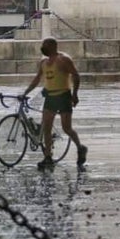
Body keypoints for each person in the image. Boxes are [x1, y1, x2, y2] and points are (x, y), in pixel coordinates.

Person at [23, 37, 88, 169]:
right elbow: (37, 79)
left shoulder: (63, 59)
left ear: (53, 46)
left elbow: (75, 75)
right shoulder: (43, 62)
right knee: (46, 128)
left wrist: (75, 94)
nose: (43, 47)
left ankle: (80, 148)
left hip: (63, 96)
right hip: (50, 98)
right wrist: (26, 92)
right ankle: (48, 157)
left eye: (45, 45)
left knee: (66, 128)